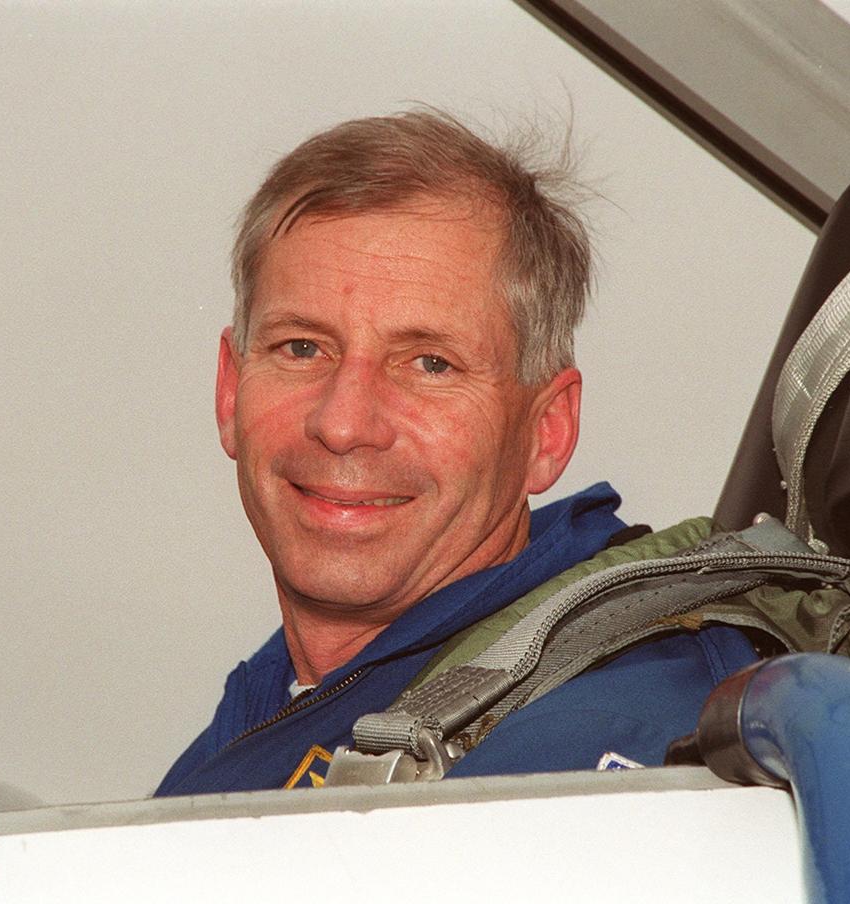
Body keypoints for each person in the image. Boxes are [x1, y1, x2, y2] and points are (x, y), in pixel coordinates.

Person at [155, 110, 757, 796]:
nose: (344, 423)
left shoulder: (601, 748)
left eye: (430, 364)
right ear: (231, 390)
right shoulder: (264, 723)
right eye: (301, 348)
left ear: (545, 431)